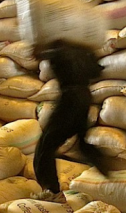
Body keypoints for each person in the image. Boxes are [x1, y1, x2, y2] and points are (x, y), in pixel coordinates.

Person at [32, 39, 109, 203]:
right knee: (81, 140)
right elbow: (96, 71)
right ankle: (107, 170)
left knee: (45, 147)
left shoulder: (59, 47)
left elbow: (43, 54)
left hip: (70, 99)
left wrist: (40, 49)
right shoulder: (83, 49)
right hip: (85, 97)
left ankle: (52, 192)